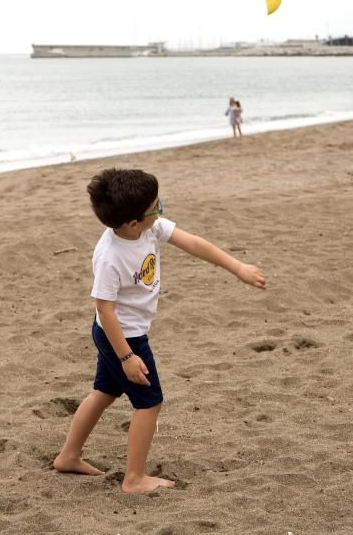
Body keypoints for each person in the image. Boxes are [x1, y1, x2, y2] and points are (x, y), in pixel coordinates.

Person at [53, 168, 266, 492]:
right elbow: (104, 309)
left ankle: (68, 457)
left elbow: (193, 242)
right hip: (122, 336)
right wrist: (126, 356)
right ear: (133, 222)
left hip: (120, 333)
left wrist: (237, 267)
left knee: (104, 393)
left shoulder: (149, 229)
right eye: (157, 206)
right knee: (149, 402)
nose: (161, 209)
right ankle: (134, 478)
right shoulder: (110, 256)